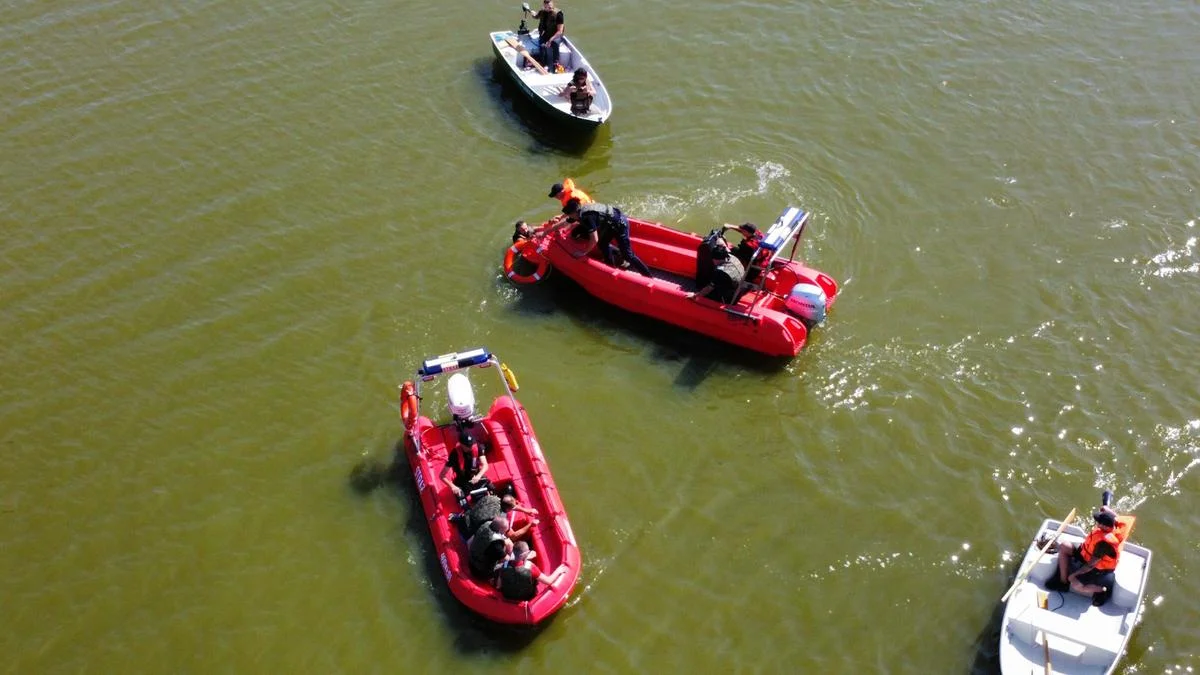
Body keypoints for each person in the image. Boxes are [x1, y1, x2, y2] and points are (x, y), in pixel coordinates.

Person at [1046, 505, 1130, 606]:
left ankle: (1102, 591)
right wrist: (1107, 510)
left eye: (1099, 522)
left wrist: (1074, 575)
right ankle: (1063, 583)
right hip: (1085, 554)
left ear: (1105, 527)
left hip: (1097, 568)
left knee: (1076, 585)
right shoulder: (1114, 525)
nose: (1097, 523)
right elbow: (1116, 518)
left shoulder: (1104, 544)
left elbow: (1090, 565)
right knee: (1064, 546)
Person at [560, 198, 653, 276]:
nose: (569, 216)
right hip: (610, 224)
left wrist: (583, 253)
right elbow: (566, 222)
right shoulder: (579, 211)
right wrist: (548, 231)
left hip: (620, 225)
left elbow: (594, 239)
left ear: (574, 212)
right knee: (603, 244)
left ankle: (648, 275)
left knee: (628, 255)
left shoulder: (587, 217)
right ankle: (610, 268)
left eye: (569, 214)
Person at [494, 541, 568, 601]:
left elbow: (498, 585)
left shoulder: (505, 565)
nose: (529, 552)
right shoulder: (530, 566)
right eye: (528, 551)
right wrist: (558, 571)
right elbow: (548, 581)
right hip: (527, 597)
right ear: (524, 554)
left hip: (508, 596)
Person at [686, 239, 744, 304]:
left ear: (715, 259)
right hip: (737, 292)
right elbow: (723, 245)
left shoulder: (721, 272)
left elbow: (709, 288)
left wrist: (694, 296)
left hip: (729, 299)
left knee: (705, 289)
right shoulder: (732, 257)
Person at [438, 430, 489, 500]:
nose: (471, 447)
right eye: (468, 446)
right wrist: (452, 486)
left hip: (475, 476)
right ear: (461, 444)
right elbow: (442, 476)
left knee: (490, 487)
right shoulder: (454, 454)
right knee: (461, 497)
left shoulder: (477, 447)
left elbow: (485, 465)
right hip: (462, 480)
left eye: (471, 444)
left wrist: (478, 476)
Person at [533, 0, 565, 72]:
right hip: (545, 35)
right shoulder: (542, 11)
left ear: (553, 5)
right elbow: (536, 16)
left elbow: (560, 31)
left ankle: (556, 64)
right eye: (546, 7)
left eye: (549, 7)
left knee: (555, 45)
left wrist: (551, 40)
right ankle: (543, 65)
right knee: (542, 46)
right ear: (544, 6)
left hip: (555, 36)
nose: (547, 9)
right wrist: (533, 14)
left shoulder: (559, 14)